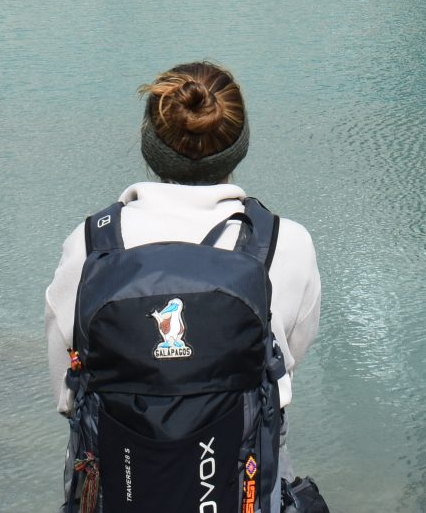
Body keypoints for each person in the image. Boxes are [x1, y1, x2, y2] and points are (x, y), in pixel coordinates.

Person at [45, 62, 324, 512]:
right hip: (243, 474)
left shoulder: (92, 244)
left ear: (150, 147)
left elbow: (68, 387)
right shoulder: (281, 242)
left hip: (120, 473)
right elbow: (285, 361)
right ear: (239, 146)